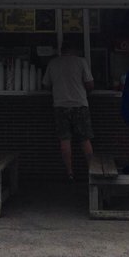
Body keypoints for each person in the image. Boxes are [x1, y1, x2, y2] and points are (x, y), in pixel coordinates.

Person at [41, 48, 94, 181]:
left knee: (65, 140)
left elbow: (46, 85)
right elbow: (90, 84)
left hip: (60, 105)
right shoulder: (81, 62)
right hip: (79, 104)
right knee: (85, 139)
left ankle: (70, 172)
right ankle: (92, 170)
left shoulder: (53, 63)